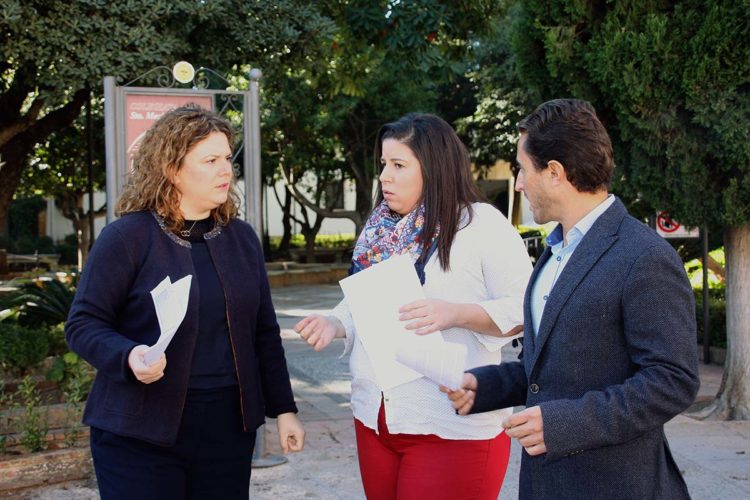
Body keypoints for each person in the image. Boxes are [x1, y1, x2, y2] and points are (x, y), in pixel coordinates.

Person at [444, 99, 699, 499]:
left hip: (617, 485)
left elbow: (672, 381)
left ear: (555, 173)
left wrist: (564, 424)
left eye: (522, 170)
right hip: (545, 484)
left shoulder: (644, 256)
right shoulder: (554, 252)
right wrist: (486, 385)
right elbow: (548, 364)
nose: (519, 184)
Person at [66, 105, 304, 500]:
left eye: (227, 158)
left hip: (226, 432)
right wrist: (128, 355)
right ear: (172, 169)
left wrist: (285, 410)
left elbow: (263, 333)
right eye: (210, 160)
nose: (226, 170)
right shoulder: (126, 237)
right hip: (138, 433)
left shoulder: (241, 239)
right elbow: (83, 324)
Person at [294, 113, 532, 499]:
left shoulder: (481, 225)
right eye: (384, 164)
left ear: (434, 168)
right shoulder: (381, 231)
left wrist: (454, 313)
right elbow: (363, 301)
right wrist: (334, 322)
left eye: (399, 165)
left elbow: (525, 310)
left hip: (448, 426)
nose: (385, 176)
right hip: (375, 418)